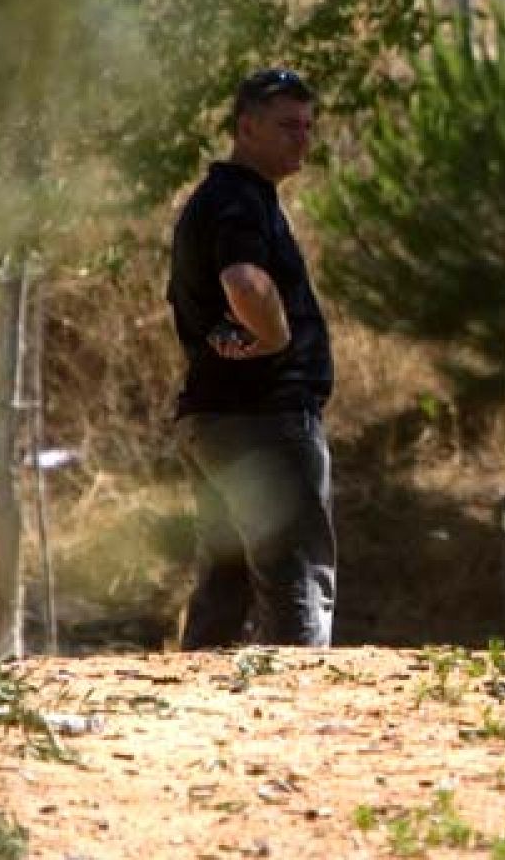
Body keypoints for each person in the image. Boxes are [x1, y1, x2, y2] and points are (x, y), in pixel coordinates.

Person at [166, 68, 335, 648]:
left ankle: (192, 710)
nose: (302, 139)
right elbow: (243, 280)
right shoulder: (239, 200)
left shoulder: (221, 200)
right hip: (262, 421)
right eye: (288, 126)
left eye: (309, 127)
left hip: (215, 421)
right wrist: (277, 339)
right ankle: (303, 712)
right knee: (295, 576)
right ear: (246, 127)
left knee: (225, 581)